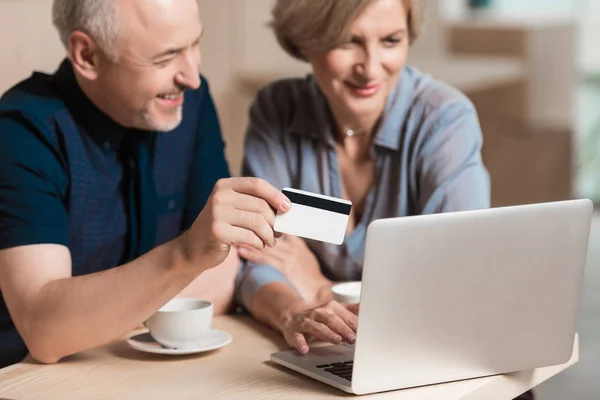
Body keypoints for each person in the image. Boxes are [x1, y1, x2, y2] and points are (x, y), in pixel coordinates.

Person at [0, 0, 291, 368]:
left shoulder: (190, 102)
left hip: (142, 373)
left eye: (194, 45)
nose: (192, 76)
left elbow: (224, 270)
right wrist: (186, 256)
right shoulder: (22, 132)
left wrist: (93, 319)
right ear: (87, 55)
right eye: (165, 58)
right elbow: (45, 331)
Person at [238, 0, 491, 354]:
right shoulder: (276, 111)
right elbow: (258, 260)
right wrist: (293, 312)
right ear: (304, 40)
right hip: (325, 353)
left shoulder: (445, 121)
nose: (371, 69)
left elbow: (457, 282)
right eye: (347, 41)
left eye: (390, 40)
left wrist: (322, 287)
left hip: (432, 353)